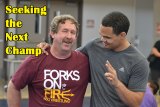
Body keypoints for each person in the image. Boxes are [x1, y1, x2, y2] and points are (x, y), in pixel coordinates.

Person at [37, 11, 150, 107]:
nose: (102, 40)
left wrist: (117, 84)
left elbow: (136, 103)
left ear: (122, 35)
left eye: (107, 37)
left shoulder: (139, 62)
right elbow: (68, 56)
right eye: (101, 35)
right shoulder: (95, 45)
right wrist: (50, 47)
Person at [7, 15, 90, 107]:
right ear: (52, 33)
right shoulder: (36, 59)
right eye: (65, 31)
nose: (69, 36)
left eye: (73, 32)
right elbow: (13, 86)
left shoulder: (84, 62)